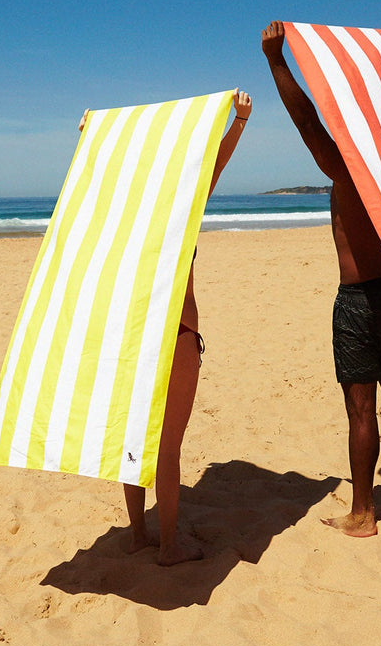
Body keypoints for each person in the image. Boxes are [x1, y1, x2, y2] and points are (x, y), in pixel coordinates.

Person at [261, 21, 381, 537]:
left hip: (359, 300)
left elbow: (305, 119)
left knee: (361, 408)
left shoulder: (346, 167)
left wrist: (277, 61)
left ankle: (364, 514)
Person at [80, 88, 252, 565]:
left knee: (133, 439)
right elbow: (211, 168)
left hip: (129, 332)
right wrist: (237, 122)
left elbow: (89, 189)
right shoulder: (178, 208)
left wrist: (91, 142)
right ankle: (171, 546)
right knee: (168, 447)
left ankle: (138, 533)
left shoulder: (117, 214)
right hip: (174, 334)